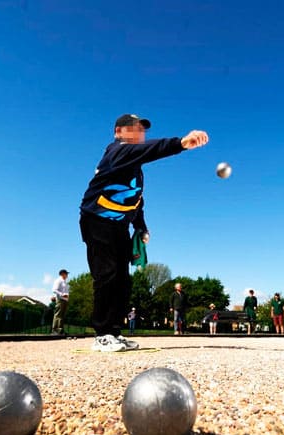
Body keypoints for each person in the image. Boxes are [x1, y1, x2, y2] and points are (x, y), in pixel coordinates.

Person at [80, 114, 209, 352]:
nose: (141, 133)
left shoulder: (135, 167)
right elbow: (152, 150)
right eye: (135, 129)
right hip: (96, 220)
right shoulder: (116, 151)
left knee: (123, 281)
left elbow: (136, 199)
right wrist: (180, 143)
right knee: (106, 275)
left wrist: (141, 226)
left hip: (118, 226)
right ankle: (101, 334)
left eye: (143, 130)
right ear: (119, 131)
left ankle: (114, 333)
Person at [52, 269, 69, 336]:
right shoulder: (58, 280)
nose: (67, 275)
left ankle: (60, 330)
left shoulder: (64, 282)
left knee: (62, 315)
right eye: (66, 273)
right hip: (60, 299)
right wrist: (62, 294)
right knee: (58, 314)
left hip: (65, 300)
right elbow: (54, 290)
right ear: (62, 274)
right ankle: (55, 330)